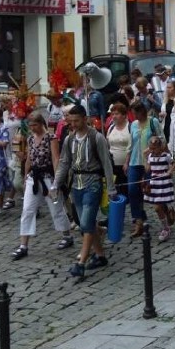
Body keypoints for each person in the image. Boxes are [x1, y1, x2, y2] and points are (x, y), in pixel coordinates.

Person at [52, 104, 116, 279]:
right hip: (76, 185)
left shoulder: (97, 138)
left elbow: (106, 163)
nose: (73, 124)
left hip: (93, 183)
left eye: (76, 120)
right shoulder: (69, 140)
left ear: (85, 119)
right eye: (70, 121)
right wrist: (56, 184)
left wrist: (111, 188)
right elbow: (65, 162)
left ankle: (81, 262)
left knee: (87, 223)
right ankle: (101, 255)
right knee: (84, 224)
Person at [11, 112, 73, 260]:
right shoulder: (31, 138)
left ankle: (67, 235)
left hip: (48, 177)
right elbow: (29, 159)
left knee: (55, 209)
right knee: (27, 209)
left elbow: (55, 158)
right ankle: (23, 245)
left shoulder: (51, 138)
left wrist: (57, 182)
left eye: (35, 125)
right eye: (30, 125)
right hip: (34, 177)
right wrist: (26, 176)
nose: (32, 128)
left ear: (41, 124)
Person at [125, 102, 160, 237]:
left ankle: (166, 211)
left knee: (151, 190)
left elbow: (161, 139)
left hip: (150, 162)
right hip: (135, 161)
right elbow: (131, 143)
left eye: (136, 113)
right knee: (133, 191)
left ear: (142, 112)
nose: (135, 115)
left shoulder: (153, 122)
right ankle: (139, 222)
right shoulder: (133, 124)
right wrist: (127, 161)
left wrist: (151, 149)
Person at [143, 134, 175, 242]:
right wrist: (145, 159)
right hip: (155, 182)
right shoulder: (150, 156)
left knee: (158, 207)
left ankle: (166, 227)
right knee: (159, 206)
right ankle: (167, 219)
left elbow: (173, 163)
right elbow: (148, 169)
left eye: (154, 148)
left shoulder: (165, 155)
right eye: (150, 148)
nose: (152, 151)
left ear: (159, 146)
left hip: (164, 182)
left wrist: (170, 171)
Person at [105, 103, 131, 200]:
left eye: (117, 114)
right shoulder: (111, 128)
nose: (114, 116)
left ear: (124, 115)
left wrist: (127, 162)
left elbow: (131, 146)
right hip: (112, 164)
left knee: (126, 190)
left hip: (126, 164)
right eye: (113, 114)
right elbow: (107, 144)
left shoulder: (130, 127)